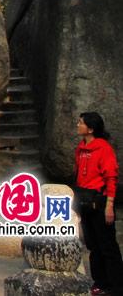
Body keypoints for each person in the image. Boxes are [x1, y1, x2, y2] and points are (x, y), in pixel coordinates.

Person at [76, 112, 123, 296]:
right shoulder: (80, 148)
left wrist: (110, 205)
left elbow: (111, 177)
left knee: (107, 246)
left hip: (101, 203)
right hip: (85, 202)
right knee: (93, 246)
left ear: (91, 128)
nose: (77, 125)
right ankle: (100, 282)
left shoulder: (103, 148)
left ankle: (117, 286)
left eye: (80, 123)